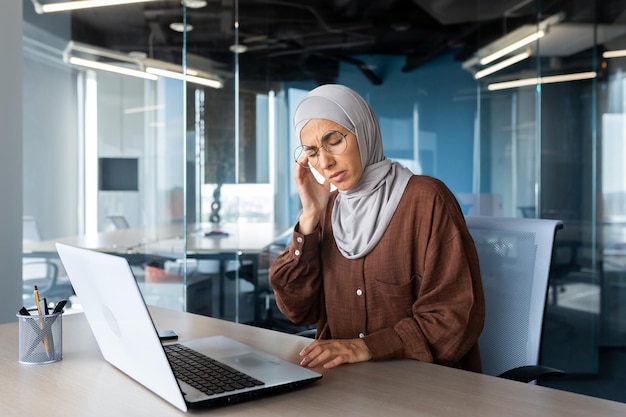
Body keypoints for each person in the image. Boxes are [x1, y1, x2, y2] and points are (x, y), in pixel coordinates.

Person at [269, 84, 485, 371]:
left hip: (422, 385)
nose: (325, 162)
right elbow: (298, 309)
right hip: (343, 385)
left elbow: (454, 317)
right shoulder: (328, 210)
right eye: (312, 152)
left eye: (334, 141)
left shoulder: (426, 199)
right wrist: (310, 216)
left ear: (363, 132)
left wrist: (366, 347)